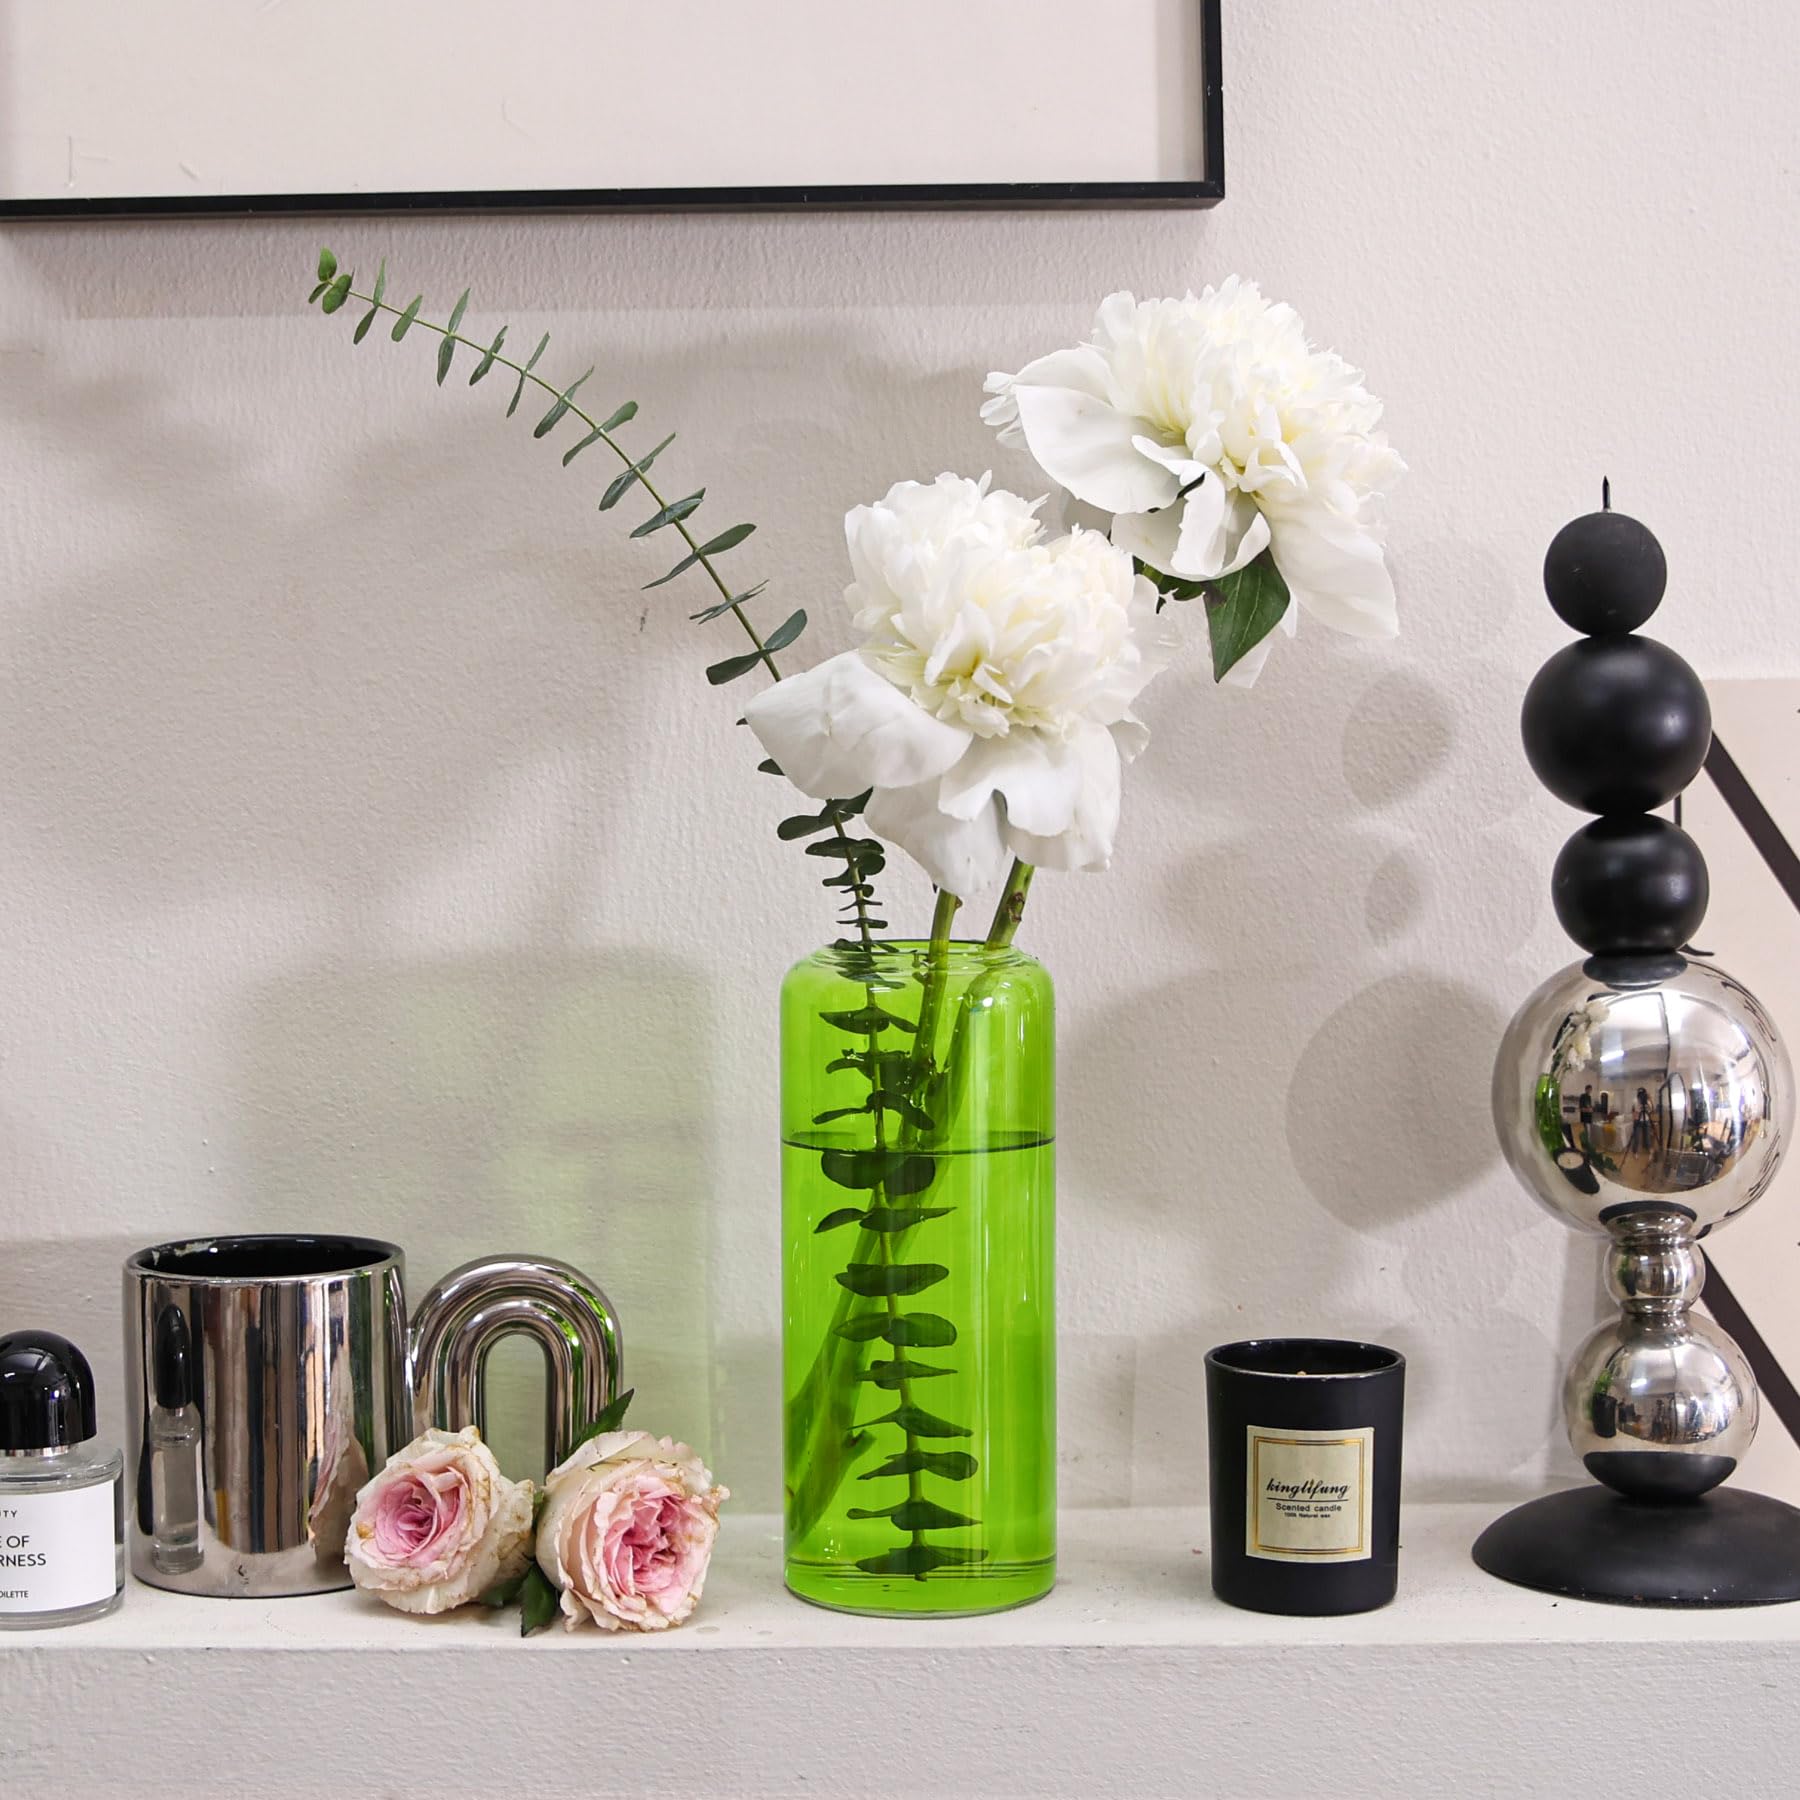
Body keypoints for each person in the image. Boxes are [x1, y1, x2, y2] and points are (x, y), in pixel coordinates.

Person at [1629, 1087, 1654, 1155]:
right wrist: (1635, 1117)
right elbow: (1633, 1110)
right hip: (1638, 1121)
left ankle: (1648, 1148)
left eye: (1643, 1094)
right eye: (1640, 1094)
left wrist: (1650, 1100)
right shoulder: (1635, 1100)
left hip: (1646, 1120)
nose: (1641, 1096)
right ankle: (1635, 1151)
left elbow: (1651, 1110)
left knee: (1647, 1137)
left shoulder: (1648, 1101)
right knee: (1636, 1137)